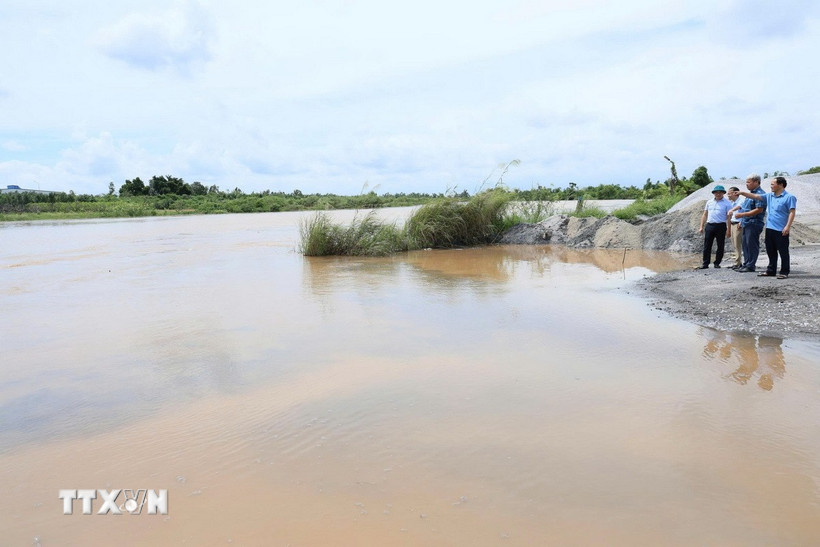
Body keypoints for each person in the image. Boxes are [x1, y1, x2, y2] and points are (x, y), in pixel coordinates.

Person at [739, 176, 796, 279]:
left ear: (781, 185)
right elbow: (756, 196)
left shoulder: (789, 197)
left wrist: (787, 226)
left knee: (783, 252)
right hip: (769, 228)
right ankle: (771, 270)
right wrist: (742, 193)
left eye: (772, 184)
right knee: (771, 251)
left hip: (781, 229)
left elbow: (792, 212)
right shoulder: (770, 196)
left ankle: (784, 271)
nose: (771, 186)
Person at [733, 174, 766, 272]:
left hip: (754, 222)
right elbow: (745, 207)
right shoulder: (749, 195)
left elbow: (759, 210)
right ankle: (746, 263)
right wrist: (742, 221)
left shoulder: (760, 194)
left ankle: (751, 265)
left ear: (756, 182)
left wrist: (742, 215)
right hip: (746, 223)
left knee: (751, 244)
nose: (746, 184)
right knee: (745, 244)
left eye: (748, 182)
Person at [697, 185, 733, 269]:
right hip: (710, 225)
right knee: (707, 245)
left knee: (720, 245)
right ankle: (705, 263)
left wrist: (729, 229)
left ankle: (717, 263)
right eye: (716, 192)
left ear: (723, 193)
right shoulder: (709, 202)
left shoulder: (727, 203)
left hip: (721, 226)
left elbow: (729, 217)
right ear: (714, 193)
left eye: (720, 192)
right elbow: (704, 214)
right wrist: (701, 226)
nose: (718, 194)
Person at [726, 186, 745, 269]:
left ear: (735, 193)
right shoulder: (732, 203)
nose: (728, 195)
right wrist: (728, 228)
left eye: (729, 193)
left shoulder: (741, 200)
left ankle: (738, 262)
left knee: (738, 243)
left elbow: (741, 209)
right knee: (734, 243)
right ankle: (737, 262)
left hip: (738, 224)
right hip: (733, 224)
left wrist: (742, 221)